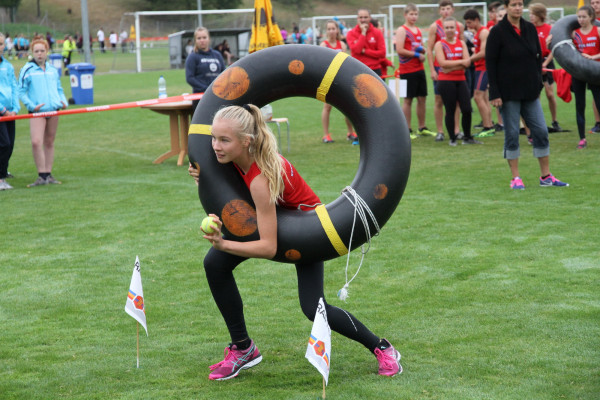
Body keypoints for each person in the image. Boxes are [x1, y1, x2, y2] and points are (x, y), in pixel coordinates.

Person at [187, 104, 402, 381]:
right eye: (214, 138)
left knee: (313, 307)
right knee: (215, 265)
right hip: (278, 219)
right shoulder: (232, 160)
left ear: (246, 141)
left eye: (224, 140)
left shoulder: (261, 179)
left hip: (309, 232)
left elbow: (268, 247)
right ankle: (243, 348)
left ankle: (382, 347)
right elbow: (232, 198)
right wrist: (204, 180)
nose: (216, 146)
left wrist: (223, 244)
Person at [486, 0, 568, 189]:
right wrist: (495, 92)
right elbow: (491, 63)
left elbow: (537, 56)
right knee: (512, 134)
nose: (517, 8)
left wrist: (538, 82)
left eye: (520, 4)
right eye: (513, 4)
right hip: (508, 92)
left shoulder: (530, 28)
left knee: (541, 131)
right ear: (506, 7)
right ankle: (515, 178)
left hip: (530, 91)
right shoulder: (497, 32)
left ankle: (546, 176)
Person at [18, 37, 68, 188]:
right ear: (32, 52)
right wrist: (32, 106)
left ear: (47, 52)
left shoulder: (52, 70)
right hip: (37, 112)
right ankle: (41, 175)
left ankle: (48, 173)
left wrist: (63, 101)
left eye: (42, 51)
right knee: (36, 142)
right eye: (36, 51)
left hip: (54, 110)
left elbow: (59, 89)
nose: (39, 54)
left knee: (49, 142)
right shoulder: (27, 69)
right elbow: (21, 91)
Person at [434, 17, 481, 146]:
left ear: (456, 29)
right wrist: (461, 63)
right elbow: (442, 63)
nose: (449, 30)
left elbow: (467, 63)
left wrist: (451, 67)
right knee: (450, 109)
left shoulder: (461, 43)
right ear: (443, 29)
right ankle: (452, 138)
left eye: (452, 27)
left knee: (467, 109)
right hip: (445, 81)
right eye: (447, 27)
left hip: (461, 80)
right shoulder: (440, 44)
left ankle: (467, 137)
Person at [346, 8, 386, 145]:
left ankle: (379, 133)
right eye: (361, 17)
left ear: (370, 18)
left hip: (375, 72)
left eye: (365, 17)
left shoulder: (377, 33)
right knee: (360, 105)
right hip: (358, 73)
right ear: (357, 19)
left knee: (377, 104)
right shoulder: (351, 33)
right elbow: (356, 50)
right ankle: (360, 134)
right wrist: (363, 34)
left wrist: (365, 51)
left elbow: (382, 53)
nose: (363, 20)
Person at [394, 4, 435, 139]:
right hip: (407, 70)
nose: (414, 17)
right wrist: (417, 55)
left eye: (416, 14)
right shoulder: (402, 30)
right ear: (405, 15)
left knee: (422, 98)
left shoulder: (417, 30)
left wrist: (422, 50)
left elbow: (419, 46)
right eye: (411, 14)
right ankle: (407, 129)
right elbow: (399, 49)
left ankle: (422, 127)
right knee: (408, 100)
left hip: (419, 69)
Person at [427, 0, 465, 142]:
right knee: (439, 100)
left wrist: (462, 65)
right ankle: (440, 131)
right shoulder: (434, 26)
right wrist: (432, 70)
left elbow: (462, 45)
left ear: (453, 10)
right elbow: (429, 50)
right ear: (439, 11)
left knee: (456, 101)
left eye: (448, 8)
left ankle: (456, 130)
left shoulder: (459, 26)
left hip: (456, 68)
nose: (446, 11)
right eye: (443, 9)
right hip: (440, 68)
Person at [320, 20, 356, 143]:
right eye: (329, 29)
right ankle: (326, 135)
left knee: (347, 106)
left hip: (340, 78)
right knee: (327, 106)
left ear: (337, 30)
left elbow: (345, 62)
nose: (331, 31)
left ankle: (350, 132)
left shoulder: (342, 45)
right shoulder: (324, 45)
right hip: (328, 79)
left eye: (333, 28)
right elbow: (322, 63)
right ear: (326, 31)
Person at [529, 3, 562, 133]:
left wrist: (545, 63)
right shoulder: (530, 29)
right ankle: (537, 122)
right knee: (535, 94)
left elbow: (553, 49)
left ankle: (554, 121)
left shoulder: (549, 29)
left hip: (546, 62)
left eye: (533, 14)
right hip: (534, 63)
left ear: (540, 15)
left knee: (549, 94)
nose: (530, 16)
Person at [571, 5, 600, 149]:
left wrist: (593, 57)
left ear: (591, 17)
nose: (581, 20)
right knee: (580, 105)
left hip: (595, 71)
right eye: (579, 17)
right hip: (579, 73)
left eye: (584, 17)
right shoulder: (574, 33)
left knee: (599, 102)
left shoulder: (597, 30)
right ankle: (582, 138)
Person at [463, 9, 495, 138]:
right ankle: (489, 125)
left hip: (484, 68)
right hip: (479, 68)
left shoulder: (484, 32)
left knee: (477, 96)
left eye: (469, 22)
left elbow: (484, 52)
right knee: (484, 97)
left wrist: (468, 60)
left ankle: (487, 126)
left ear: (476, 20)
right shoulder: (477, 33)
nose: (468, 25)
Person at [185, 27, 226, 113]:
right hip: (200, 99)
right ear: (195, 40)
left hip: (218, 97)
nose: (202, 40)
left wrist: (217, 89)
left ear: (209, 39)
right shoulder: (192, 57)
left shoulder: (217, 55)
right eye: (199, 38)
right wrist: (206, 89)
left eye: (204, 37)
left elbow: (225, 74)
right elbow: (190, 78)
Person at [0, 33, 20, 191]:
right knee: (4, 143)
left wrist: (15, 108)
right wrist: (3, 110)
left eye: (1, 44)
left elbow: (14, 86)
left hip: (9, 112)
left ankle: (4, 171)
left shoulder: (7, 65)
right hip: (1, 112)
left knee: (10, 144)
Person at [588, 0, 600, 133]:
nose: (595, 5)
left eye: (597, 2)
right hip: (593, 65)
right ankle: (598, 122)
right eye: (592, 3)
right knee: (595, 95)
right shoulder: (587, 21)